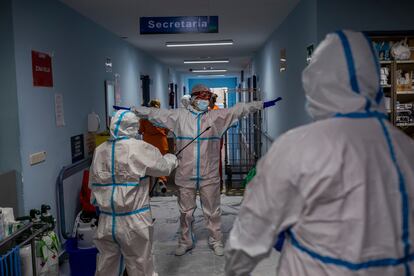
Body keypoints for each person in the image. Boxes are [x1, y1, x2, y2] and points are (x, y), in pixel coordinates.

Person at [225, 30, 414, 276]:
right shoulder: (405, 148)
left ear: (315, 83)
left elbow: (248, 236)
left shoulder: (297, 148)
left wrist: (234, 271)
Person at [130, 84, 280, 257]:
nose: (204, 101)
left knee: (213, 210)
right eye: (200, 98)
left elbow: (240, 109)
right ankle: (185, 241)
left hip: (209, 174)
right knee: (185, 212)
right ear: (193, 99)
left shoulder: (216, 117)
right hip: (186, 174)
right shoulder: (179, 116)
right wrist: (133, 110)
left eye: (206, 98)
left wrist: (262, 104)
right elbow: (155, 114)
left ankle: (216, 240)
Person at [89, 110, 178, 276]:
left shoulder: (100, 150)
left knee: (106, 267)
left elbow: (92, 184)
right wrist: (172, 159)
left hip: (106, 221)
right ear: (133, 127)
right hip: (134, 221)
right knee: (140, 266)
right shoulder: (139, 148)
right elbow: (162, 168)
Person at [139, 99, 170, 194]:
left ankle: (149, 186)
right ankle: (161, 179)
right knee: (161, 163)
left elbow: (140, 130)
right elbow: (167, 129)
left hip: (148, 143)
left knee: (149, 164)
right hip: (161, 143)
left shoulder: (144, 117)